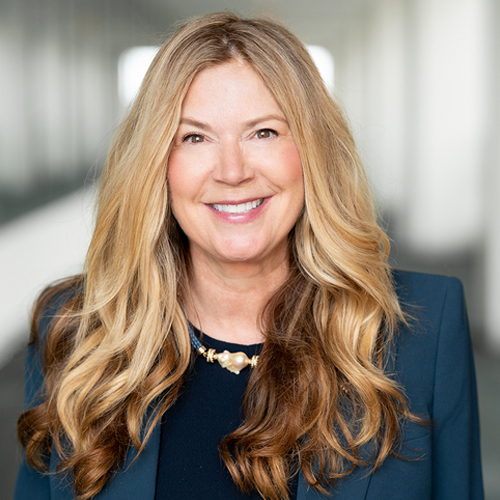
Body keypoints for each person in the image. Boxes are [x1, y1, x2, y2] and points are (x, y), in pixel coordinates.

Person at [15, 12, 483, 500]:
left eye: (264, 132)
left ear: (311, 151)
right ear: (157, 164)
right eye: (194, 137)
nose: (232, 171)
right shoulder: (73, 331)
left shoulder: (424, 330)